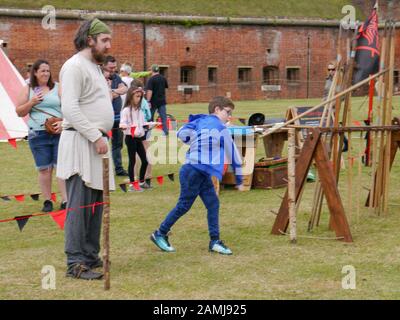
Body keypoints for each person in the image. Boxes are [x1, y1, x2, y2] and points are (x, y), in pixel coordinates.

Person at [57, 18, 115, 280]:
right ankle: (76, 263)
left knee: (95, 206)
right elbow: (69, 108)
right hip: (81, 143)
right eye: (104, 40)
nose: (109, 45)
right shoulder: (74, 66)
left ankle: (90, 257)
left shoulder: (94, 67)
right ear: (89, 39)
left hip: (95, 143)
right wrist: (94, 135)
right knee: (80, 206)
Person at [150, 96, 244, 255]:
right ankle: (160, 233)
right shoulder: (221, 129)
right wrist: (240, 179)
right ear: (217, 110)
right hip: (193, 171)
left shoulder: (201, 121)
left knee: (213, 203)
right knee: (183, 205)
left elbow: (181, 133)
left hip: (199, 172)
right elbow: (233, 153)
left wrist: (194, 140)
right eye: (227, 112)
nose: (229, 117)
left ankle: (214, 241)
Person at [16, 59, 67, 212]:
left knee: (61, 168)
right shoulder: (28, 89)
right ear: (35, 73)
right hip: (38, 134)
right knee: (44, 169)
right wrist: (32, 102)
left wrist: (64, 122)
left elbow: (68, 107)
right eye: (42, 71)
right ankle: (47, 201)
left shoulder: (58, 87)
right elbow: (19, 112)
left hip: (58, 132)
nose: (46, 73)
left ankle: (65, 200)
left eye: (47, 70)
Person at [119, 85, 153, 191]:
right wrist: (123, 126)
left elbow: (143, 124)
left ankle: (142, 182)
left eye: (140, 97)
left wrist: (151, 124)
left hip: (139, 138)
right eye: (137, 97)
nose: (139, 99)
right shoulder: (126, 110)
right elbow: (122, 123)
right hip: (130, 138)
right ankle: (132, 184)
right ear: (131, 97)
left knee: (145, 160)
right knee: (132, 161)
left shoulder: (139, 111)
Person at [103, 55, 128, 176]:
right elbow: (105, 97)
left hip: (118, 117)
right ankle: (103, 170)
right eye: (110, 67)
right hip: (104, 118)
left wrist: (113, 92)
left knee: (117, 144)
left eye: (114, 67)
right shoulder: (99, 79)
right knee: (103, 144)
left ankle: (118, 169)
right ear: (103, 66)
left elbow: (125, 88)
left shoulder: (117, 77)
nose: (113, 69)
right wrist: (112, 93)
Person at [131, 79, 153, 186]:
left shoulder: (128, 102)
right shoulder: (143, 102)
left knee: (135, 155)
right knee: (147, 153)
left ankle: (135, 178)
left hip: (133, 131)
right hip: (144, 129)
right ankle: (147, 178)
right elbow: (148, 115)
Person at [146, 64, 169, 136]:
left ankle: (149, 132)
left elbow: (149, 91)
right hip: (162, 101)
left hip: (153, 101)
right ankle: (165, 131)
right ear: (158, 70)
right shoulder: (163, 78)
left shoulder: (151, 79)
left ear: (152, 70)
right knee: (163, 117)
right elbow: (166, 88)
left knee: (150, 117)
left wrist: (148, 101)